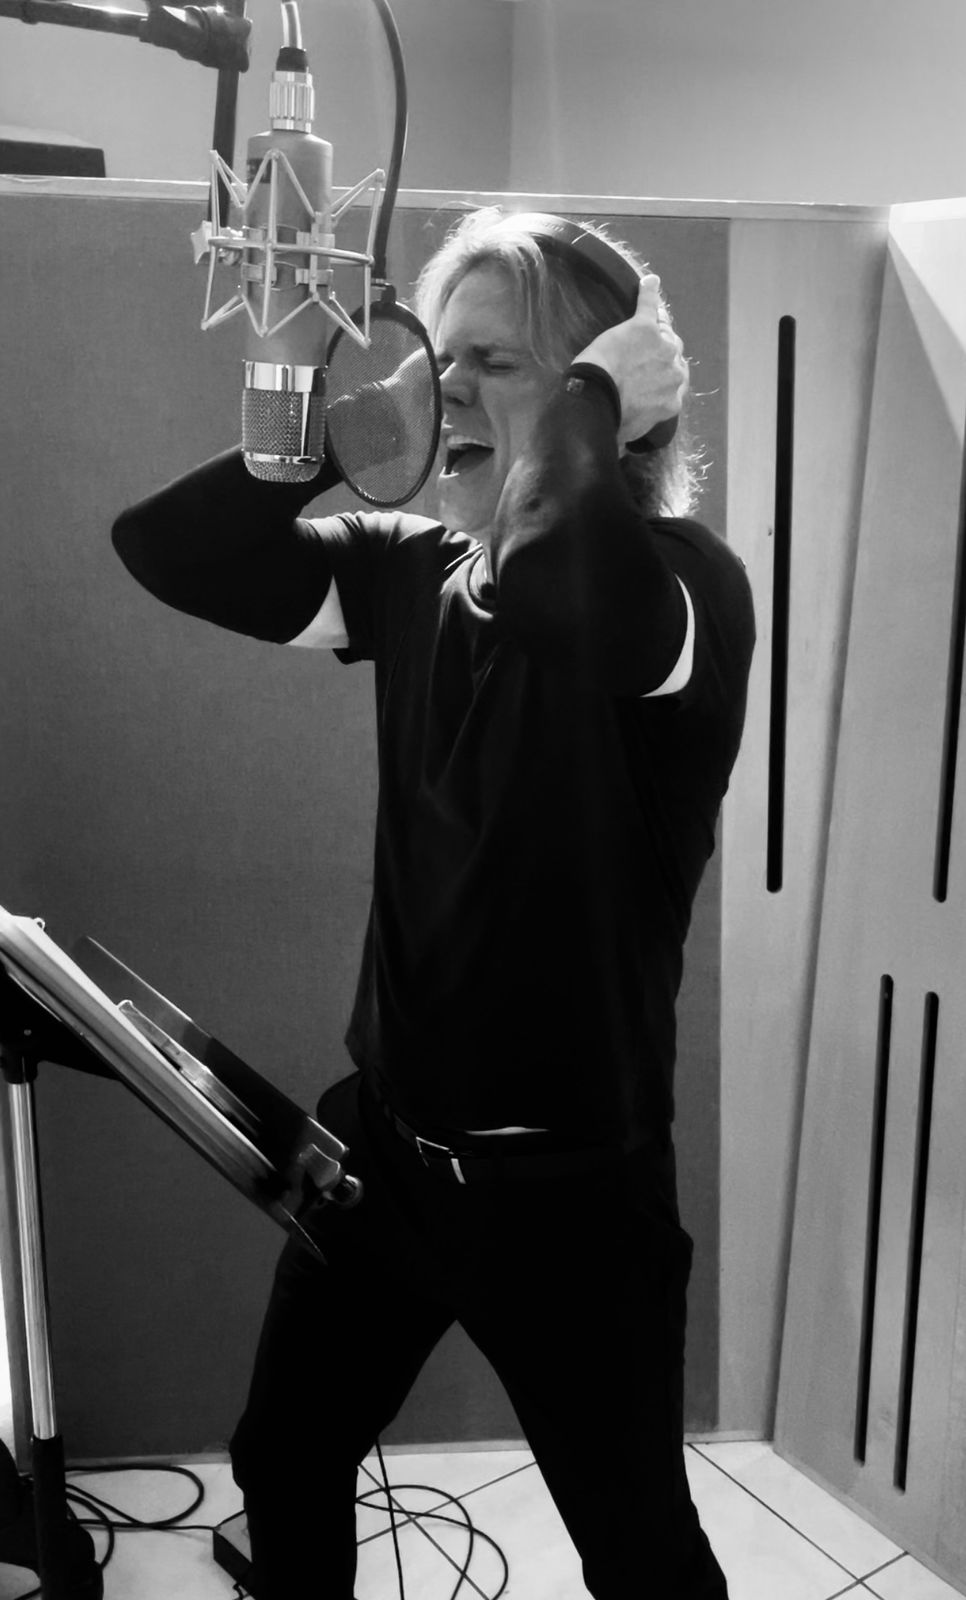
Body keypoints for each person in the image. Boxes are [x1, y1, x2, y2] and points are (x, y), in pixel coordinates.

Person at [112, 206, 755, 1600]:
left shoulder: (684, 590)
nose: (445, 388)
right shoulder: (412, 575)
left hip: (569, 1200)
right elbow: (168, 548)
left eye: (497, 363)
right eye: (435, 356)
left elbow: (558, 579)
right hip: (385, 1159)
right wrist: (350, 430)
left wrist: (593, 406)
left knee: (639, 1553)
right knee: (284, 1456)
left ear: (612, 399)